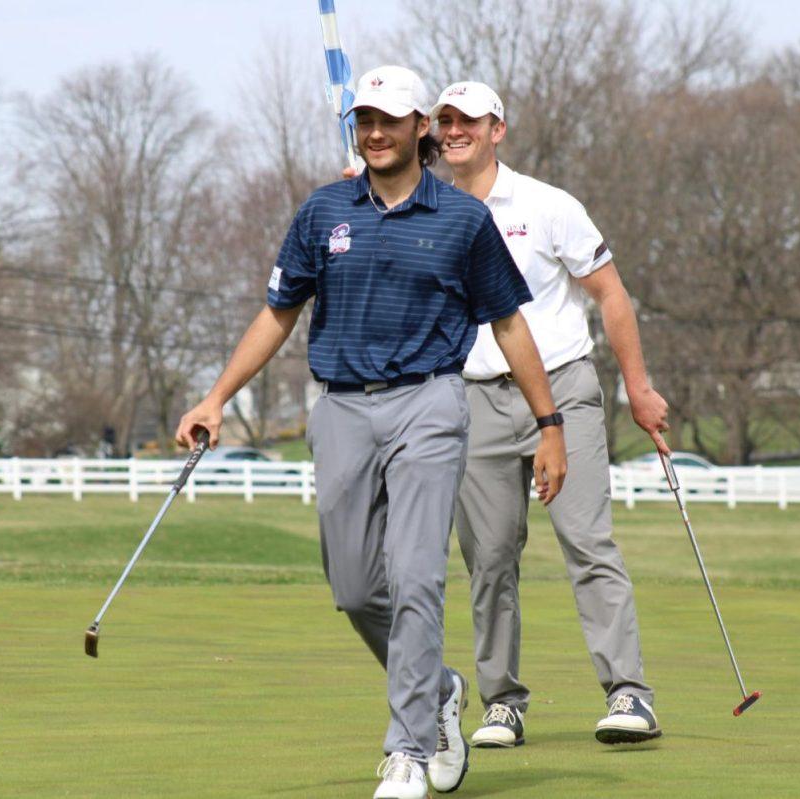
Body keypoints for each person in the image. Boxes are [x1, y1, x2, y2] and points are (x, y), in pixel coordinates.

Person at [175, 66, 567, 799]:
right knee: (356, 587)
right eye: (365, 120)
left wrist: (549, 425)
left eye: (391, 119)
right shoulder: (324, 211)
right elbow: (279, 313)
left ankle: (409, 750)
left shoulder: (462, 220)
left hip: (430, 402)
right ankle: (439, 687)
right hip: (342, 408)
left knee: (418, 573)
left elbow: (510, 324)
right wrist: (216, 397)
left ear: (421, 125)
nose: (377, 132)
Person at [430, 81, 671, 747]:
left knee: (587, 540)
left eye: (468, 121)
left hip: (563, 386)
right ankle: (501, 702)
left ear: (496, 129)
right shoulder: (426, 210)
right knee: (489, 558)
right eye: (445, 121)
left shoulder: (547, 205)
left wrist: (639, 387)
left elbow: (611, 294)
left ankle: (629, 692)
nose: (455, 131)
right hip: (472, 395)